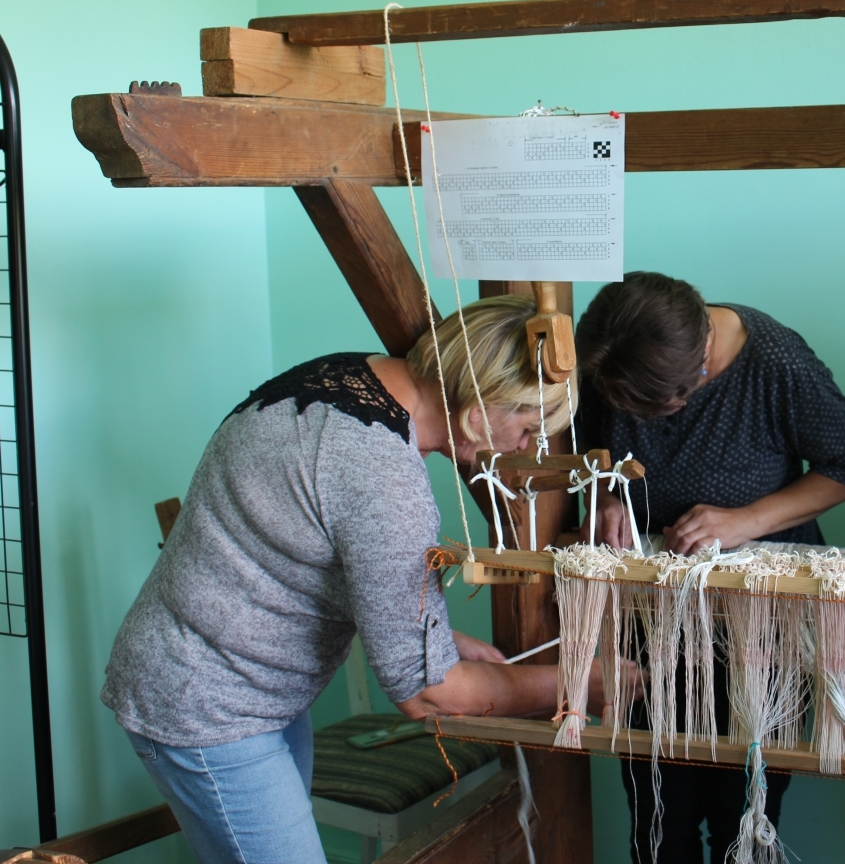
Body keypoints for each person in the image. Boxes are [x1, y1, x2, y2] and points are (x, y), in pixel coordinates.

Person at [102, 296, 625, 864]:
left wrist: (435, 640)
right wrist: (574, 685)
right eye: (526, 428)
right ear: (477, 414)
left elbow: (312, 544)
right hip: (206, 702)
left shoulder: (347, 375)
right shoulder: (383, 475)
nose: (526, 448)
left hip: (241, 682)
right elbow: (430, 694)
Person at [575, 271, 845, 863]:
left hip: (760, 620)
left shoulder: (775, 362)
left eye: (664, 404)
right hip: (655, 612)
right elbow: (587, 446)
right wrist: (605, 493)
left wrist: (748, 520)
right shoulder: (615, 352)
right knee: (657, 818)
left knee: (745, 821)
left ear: (702, 361)